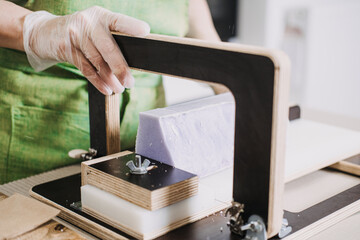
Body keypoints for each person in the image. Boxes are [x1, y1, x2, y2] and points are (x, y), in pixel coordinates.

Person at [0, 0, 221, 184]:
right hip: (32, 145)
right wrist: (35, 29)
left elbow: (204, 39)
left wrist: (237, 92)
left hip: (147, 151)